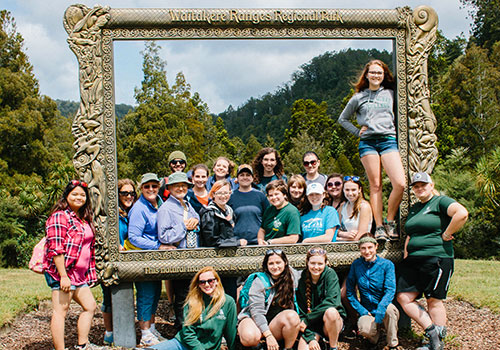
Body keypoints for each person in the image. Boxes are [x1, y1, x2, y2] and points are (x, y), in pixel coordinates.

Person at [397, 172, 468, 350]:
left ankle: (435, 342)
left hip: (436, 257)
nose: (420, 188)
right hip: (413, 260)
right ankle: (432, 331)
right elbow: (411, 233)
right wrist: (407, 253)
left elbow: (461, 213)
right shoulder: (414, 208)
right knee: (403, 297)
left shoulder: (440, 202)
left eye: (423, 185)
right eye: (416, 186)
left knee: (433, 299)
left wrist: (447, 233)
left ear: (431, 185)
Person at [337, 59, 406, 241]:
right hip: (368, 143)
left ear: (384, 76)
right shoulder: (358, 97)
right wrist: (357, 132)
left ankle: (390, 220)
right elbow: (342, 119)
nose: (376, 75)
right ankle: (380, 227)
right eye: (373, 72)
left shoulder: (391, 94)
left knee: (400, 183)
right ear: (366, 75)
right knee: (375, 185)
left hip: (388, 140)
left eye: (379, 73)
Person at [43, 180, 102, 350]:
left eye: (82, 195)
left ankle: (82, 346)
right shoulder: (60, 216)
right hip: (63, 273)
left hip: (79, 275)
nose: (79, 197)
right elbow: (56, 248)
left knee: (90, 306)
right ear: (66, 196)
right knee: (61, 311)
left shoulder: (83, 218)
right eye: (74, 194)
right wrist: (63, 276)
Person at [126, 173, 170, 347]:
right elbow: (134, 237)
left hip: (156, 260)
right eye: (147, 186)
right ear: (141, 188)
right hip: (143, 258)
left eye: (154, 186)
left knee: (155, 293)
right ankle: (144, 333)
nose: (151, 189)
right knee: (145, 294)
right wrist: (158, 246)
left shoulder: (160, 203)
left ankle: (151, 329)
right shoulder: (139, 208)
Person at [148, 267, 237, 350]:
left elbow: (231, 332)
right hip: (182, 344)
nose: (206, 285)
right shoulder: (192, 301)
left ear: (217, 281)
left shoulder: (228, 302)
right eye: (202, 282)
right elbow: (187, 333)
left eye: (210, 281)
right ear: (198, 284)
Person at [157, 172, 200, 329]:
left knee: (193, 293)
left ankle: (192, 326)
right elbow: (163, 236)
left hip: (191, 254)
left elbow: (197, 220)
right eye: (177, 186)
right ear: (169, 188)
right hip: (179, 257)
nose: (181, 188)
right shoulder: (166, 209)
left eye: (184, 186)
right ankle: (182, 329)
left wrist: (195, 221)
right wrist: (183, 226)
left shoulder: (186, 205)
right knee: (181, 295)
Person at [238, 249, 301, 350]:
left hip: (275, 324)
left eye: (278, 262)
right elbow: (256, 312)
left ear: (285, 262)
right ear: (266, 265)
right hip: (254, 320)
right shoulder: (260, 281)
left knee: (292, 316)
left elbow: (311, 274)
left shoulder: (293, 276)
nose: (275, 267)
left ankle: (288, 348)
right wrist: (268, 335)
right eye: (271, 263)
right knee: (250, 337)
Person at [346, 234, 400, 350]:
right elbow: (350, 290)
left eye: (370, 247)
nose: (367, 251)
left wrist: (381, 307)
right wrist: (362, 310)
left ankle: (393, 344)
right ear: (360, 249)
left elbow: (390, 290)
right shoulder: (357, 265)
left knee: (390, 311)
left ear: (376, 247)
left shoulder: (386, 265)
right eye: (363, 248)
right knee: (365, 329)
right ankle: (374, 339)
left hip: (384, 306)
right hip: (367, 309)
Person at [101, 178, 137, 345]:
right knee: (109, 296)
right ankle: (109, 332)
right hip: (111, 260)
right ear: (117, 195)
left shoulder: (132, 212)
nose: (128, 196)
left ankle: (122, 330)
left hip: (129, 261)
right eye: (124, 193)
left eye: (131, 193)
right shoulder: (112, 213)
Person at [296, 247, 345, 350]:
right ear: (307, 262)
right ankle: (318, 340)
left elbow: (332, 302)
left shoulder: (330, 275)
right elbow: (301, 312)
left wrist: (307, 320)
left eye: (320, 264)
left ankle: (333, 346)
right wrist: (311, 338)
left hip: (330, 323)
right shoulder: (302, 279)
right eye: (313, 263)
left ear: (326, 263)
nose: (316, 267)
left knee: (331, 312)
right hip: (312, 325)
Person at [228, 164, 269, 245]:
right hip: (238, 242)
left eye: (248, 175)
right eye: (242, 175)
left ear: (252, 178)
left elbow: (267, 218)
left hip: (258, 241)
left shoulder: (260, 196)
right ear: (237, 178)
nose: (245, 177)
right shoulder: (230, 196)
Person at [258, 180, 300, 246]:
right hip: (266, 248)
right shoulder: (269, 210)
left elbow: (293, 238)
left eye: (276, 194)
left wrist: (271, 242)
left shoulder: (292, 212)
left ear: (284, 194)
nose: (274, 197)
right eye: (270, 195)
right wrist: (260, 241)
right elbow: (262, 229)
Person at [337, 176, 373, 241]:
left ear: (359, 190)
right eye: (347, 190)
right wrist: (344, 234)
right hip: (344, 243)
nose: (350, 193)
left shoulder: (364, 207)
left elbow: (362, 235)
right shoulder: (342, 206)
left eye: (353, 190)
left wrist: (340, 239)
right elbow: (337, 229)